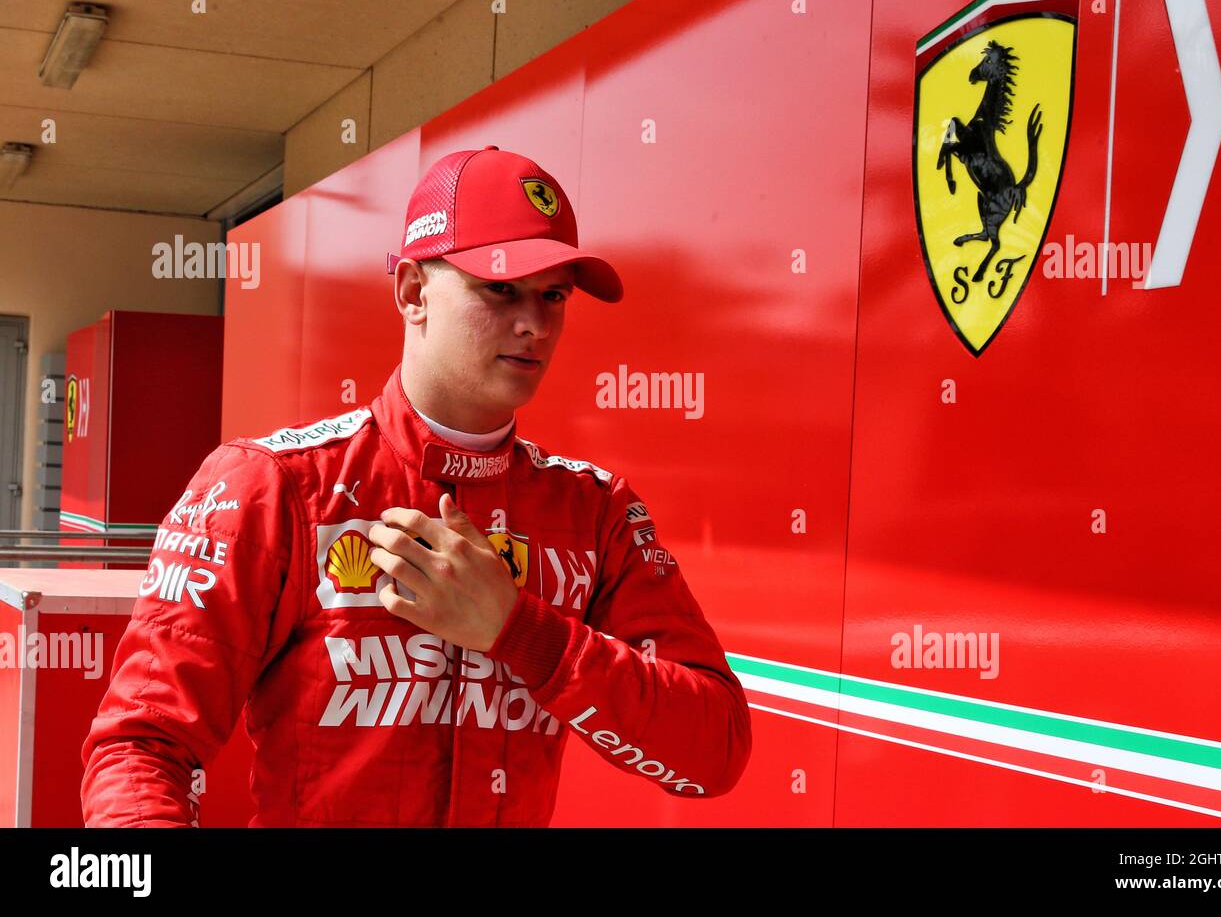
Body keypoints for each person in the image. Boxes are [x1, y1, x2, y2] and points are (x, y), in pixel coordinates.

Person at [80, 145, 753, 827]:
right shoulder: (274, 485)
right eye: (501, 288)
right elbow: (142, 743)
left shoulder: (596, 512)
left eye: (554, 295)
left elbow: (713, 755)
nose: (536, 324)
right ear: (411, 292)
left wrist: (519, 631)